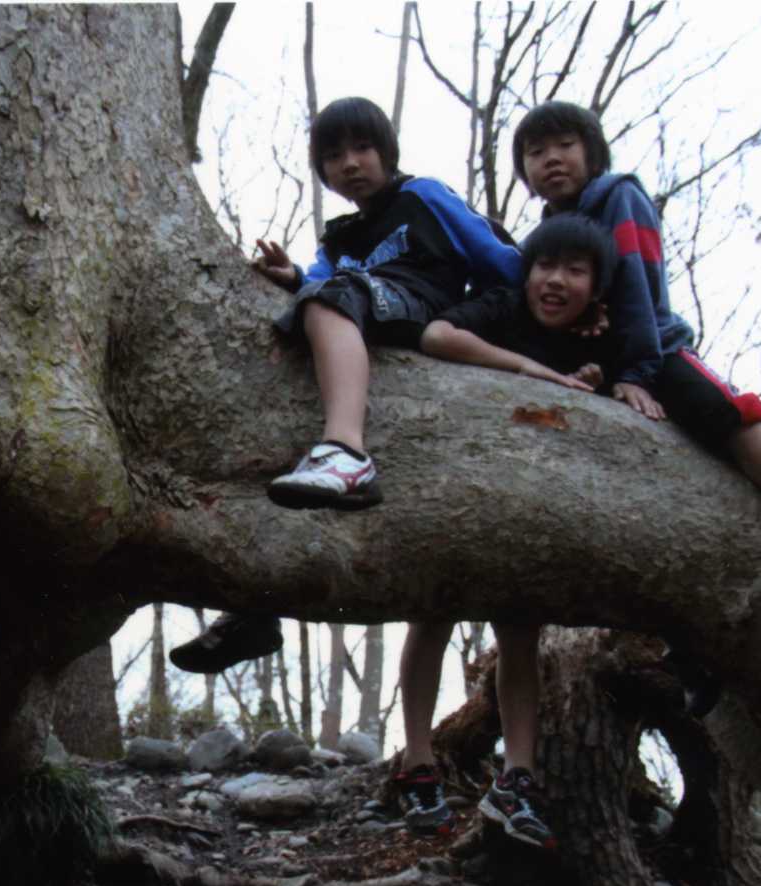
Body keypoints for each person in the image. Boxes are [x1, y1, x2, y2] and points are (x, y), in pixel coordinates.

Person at [171, 95, 524, 673]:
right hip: (362, 315)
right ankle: (253, 610)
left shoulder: (423, 196)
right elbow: (317, 284)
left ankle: (347, 451)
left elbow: (498, 257)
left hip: (420, 304)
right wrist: (290, 276)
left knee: (333, 298)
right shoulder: (338, 238)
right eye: (333, 156)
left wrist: (524, 312)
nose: (350, 164)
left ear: (387, 152)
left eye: (362, 148)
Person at [512, 100, 761, 626]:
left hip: (655, 349)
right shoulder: (549, 230)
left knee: (720, 409)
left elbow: (639, 286)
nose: (551, 159)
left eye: (565, 146)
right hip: (599, 365)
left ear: (593, 152)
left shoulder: (620, 197)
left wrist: (639, 372)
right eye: (535, 152)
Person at [392, 215, 617, 841]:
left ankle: (517, 779)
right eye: (546, 266)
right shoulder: (499, 308)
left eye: (575, 272)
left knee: (520, 635)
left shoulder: (595, 336)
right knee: (430, 619)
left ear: (596, 289)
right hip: (453, 490)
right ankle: (417, 763)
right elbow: (437, 337)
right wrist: (526, 369)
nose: (555, 281)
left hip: (527, 512)